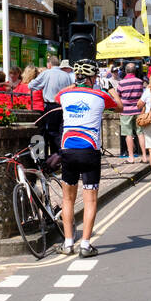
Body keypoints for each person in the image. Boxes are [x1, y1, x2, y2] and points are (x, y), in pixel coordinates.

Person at [56, 59, 121, 257]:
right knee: (90, 200)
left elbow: (58, 95)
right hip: (90, 151)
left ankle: (68, 244)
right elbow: (120, 107)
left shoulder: (65, 94)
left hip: (67, 149)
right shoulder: (101, 95)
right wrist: (110, 88)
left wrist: (76, 83)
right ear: (94, 77)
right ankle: (85, 244)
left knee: (67, 199)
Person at [29, 56, 72, 153]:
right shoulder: (66, 75)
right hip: (63, 106)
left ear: (49, 64)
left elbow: (31, 85)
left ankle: (51, 159)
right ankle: (57, 157)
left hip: (50, 106)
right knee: (60, 132)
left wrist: (41, 86)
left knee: (50, 132)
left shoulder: (46, 73)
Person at [116, 63, 146, 162]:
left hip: (125, 111)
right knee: (140, 133)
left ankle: (131, 157)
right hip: (138, 110)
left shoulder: (121, 83)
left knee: (128, 134)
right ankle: (144, 156)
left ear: (125, 71)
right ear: (135, 71)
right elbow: (142, 96)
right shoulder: (139, 82)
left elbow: (118, 96)